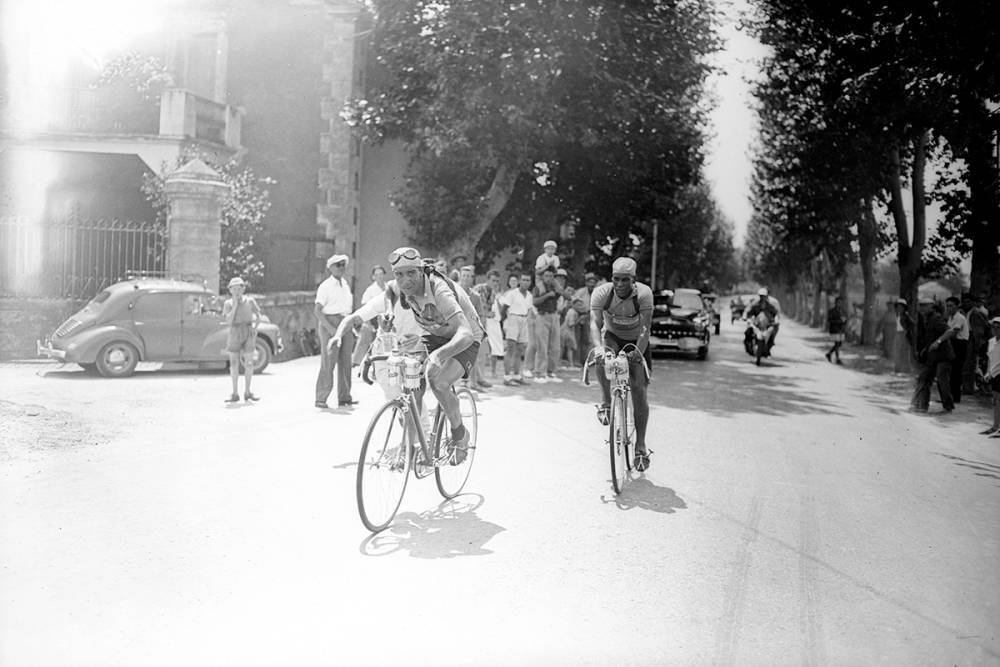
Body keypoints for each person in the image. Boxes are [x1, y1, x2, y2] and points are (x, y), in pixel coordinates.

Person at [333, 247, 483, 459]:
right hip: (436, 333)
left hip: (465, 335)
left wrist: (438, 356)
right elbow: (390, 290)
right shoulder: (401, 285)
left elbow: (465, 333)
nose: (405, 281)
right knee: (412, 387)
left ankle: (460, 435)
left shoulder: (439, 290)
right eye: (399, 274)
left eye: (411, 273)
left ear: (421, 270)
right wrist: (387, 310)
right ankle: (412, 446)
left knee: (437, 381)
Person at [589, 257, 654, 471]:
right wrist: (598, 348)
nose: (620, 284)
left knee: (638, 389)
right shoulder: (602, 293)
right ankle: (607, 402)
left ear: (633, 280)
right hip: (613, 337)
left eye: (625, 280)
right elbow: (594, 323)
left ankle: (641, 446)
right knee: (601, 359)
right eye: (616, 279)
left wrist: (638, 352)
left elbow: (645, 329)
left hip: (637, 340)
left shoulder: (644, 294)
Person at [314, 254, 356, 409]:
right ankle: (321, 398)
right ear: (330, 268)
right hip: (329, 321)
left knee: (346, 362)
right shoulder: (325, 286)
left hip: (345, 322)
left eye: (343, 265)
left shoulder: (345, 284)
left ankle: (345, 397)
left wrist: (350, 326)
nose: (341, 268)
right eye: (337, 265)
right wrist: (330, 329)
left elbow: (347, 309)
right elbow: (317, 311)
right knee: (329, 361)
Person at [221, 276, 261, 402]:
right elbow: (228, 320)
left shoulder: (250, 301)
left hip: (247, 331)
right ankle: (234, 393)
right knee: (233, 363)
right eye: (234, 289)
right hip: (234, 331)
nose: (237, 291)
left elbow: (258, 315)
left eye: (239, 288)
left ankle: (248, 392)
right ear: (230, 290)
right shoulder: (228, 304)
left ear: (243, 289)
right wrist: (235, 305)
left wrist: (255, 327)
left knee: (249, 363)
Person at [910, 298, 955, 413]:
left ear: (931, 306)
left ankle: (948, 407)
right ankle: (921, 406)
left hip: (943, 356)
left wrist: (938, 342)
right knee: (923, 378)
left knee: (942, 380)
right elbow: (929, 337)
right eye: (920, 305)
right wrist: (926, 348)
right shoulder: (926, 319)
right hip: (933, 356)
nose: (922, 308)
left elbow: (949, 331)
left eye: (925, 305)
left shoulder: (936, 318)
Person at [459, 265, 491, 390]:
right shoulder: (452, 292)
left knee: (473, 357)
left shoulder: (475, 296)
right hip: (456, 330)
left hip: (471, 331)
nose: (466, 279)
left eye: (468, 276)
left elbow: (481, 314)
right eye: (464, 276)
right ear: (460, 277)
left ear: (472, 279)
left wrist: (481, 330)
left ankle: (473, 383)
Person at [499, 271, 534, 385]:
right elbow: (504, 308)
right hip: (513, 318)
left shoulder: (529, 295)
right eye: (523, 280)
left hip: (524, 320)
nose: (525, 282)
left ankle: (517, 375)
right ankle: (507, 377)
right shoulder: (512, 293)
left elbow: (528, 309)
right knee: (510, 349)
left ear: (530, 282)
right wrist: (505, 321)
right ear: (520, 281)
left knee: (520, 350)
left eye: (528, 280)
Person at [351, 265, 387, 367]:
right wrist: (368, 323)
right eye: (377, 275)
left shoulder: (388, 287)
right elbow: (365, 307)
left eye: (381, 274)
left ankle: (379, 364)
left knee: (382, 342)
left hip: (385, 318)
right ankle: (355, 362)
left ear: (384, 275)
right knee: (365, 336)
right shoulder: (370, 290)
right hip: (372, 318)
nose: (379, 277)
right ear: (373, 277)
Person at [532, 266, 563, 383]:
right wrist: (546, 295)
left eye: (551, 276)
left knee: (555, 346)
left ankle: (551, 372)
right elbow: (534, 302)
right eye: (546, 275)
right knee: (542, 345)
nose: (549, 278)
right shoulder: (538, 287)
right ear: (542, 277)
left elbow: (563, 294)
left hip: (554, 315)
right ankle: (539, 373)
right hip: (542, 315)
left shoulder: (555, 287)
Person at [940, 295, 969, 403]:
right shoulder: (950, 318)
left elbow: (953, 332)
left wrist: (940, 340)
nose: (949, 308)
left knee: (956, 370)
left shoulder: (960, 318)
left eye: (951, 306)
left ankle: (956, 397)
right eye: (947, 306)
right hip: (953, 344)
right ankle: (950, 396)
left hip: (959, 344)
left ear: (957, 306)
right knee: (951, 371)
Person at [962, 292, 989, 395]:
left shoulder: (975, 313)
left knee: (970, 365)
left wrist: (977, 345)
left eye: (968, 302)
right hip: (969, 338)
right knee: (968, 365)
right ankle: (967, 387)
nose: (966, 304)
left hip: (972, 339)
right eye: (964, 302)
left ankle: (969, 388)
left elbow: (978, 331)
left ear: (973, 302)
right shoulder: (969, 312)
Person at [743, 287, 779, 355]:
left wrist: (776, 320)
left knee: (772, 333)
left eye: (764, 296)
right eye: (761, 296)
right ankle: (749, 347)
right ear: (759, 296)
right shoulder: (755, 304)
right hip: (756, 324)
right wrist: (745, 317)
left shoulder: (770, 306)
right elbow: (747, 311)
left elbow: (775, 314)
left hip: (766, 325)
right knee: (748, 332)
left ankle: (767, 349)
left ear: (766, 296)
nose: (762, 298)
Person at [983, 317, 1000, 437]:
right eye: (994, 327)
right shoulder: (991, 341)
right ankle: (995, 426)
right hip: (994, 373)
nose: (996, 329)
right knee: (995, 401)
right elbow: (990, 358)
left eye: (998, 327)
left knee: (999, 400)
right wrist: (988, 372)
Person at [825, 296, 847, 364]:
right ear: (835, 303)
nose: (839, 304)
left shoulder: (843, 311)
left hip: (841, 329)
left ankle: (829, 354)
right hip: (834, 329)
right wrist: (839, 321)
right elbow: (829, 320)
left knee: (839, 344)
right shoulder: (831, 311)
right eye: (838, 302)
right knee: (837, 344)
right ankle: (837, 359)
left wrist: (844, 321)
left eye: (841, 303)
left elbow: (845, 319)